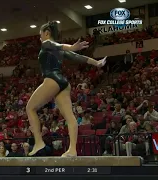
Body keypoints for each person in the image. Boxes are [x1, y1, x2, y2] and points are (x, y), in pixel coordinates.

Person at [26, 21, 107, 157]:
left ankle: (39, 142)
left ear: (46, 33)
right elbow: (78, 57)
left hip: (51, 79)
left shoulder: (47, 44)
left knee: (30, 108)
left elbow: (57, 45)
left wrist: (71, 47)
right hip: (63, 82)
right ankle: (72, 150)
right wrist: (96, 63)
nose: (39, 37)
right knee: (69, 117)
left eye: (40, 34)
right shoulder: (58, 49)